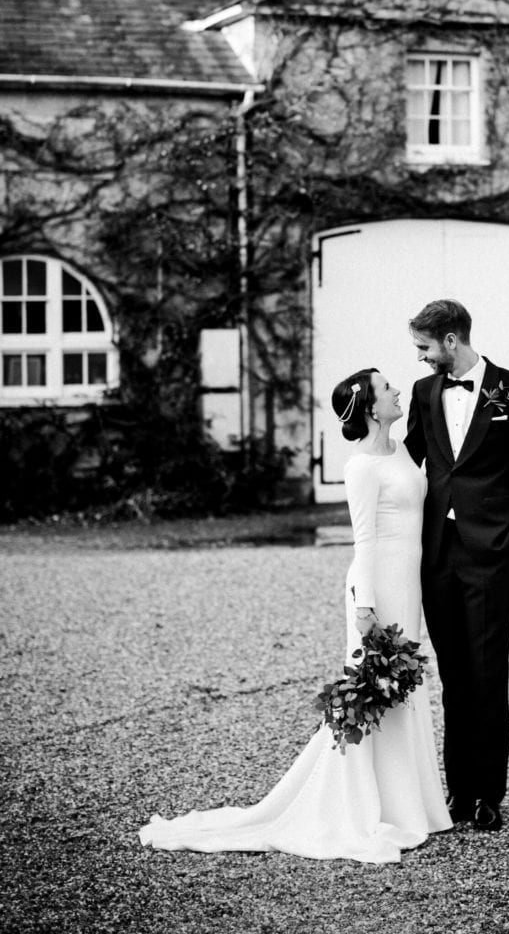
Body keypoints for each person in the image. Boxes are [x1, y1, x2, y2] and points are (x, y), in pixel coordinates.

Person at [138, 369, 451, 863]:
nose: (396, 391)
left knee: (403, 691)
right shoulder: (360, 467)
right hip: (378, 590)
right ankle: (364, 807)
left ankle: (412, 806)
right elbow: (364, 540)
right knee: (374, 694)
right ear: (371, 406)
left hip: (408, 588)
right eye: (387, 388)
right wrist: (365, 606)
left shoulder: (403, 450)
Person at [405, 299, 509, 834]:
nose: (419, 358)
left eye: (424, 347)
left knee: (488, 673)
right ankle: (458, 791)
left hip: (490, 553)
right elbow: (409, 464)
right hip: (437, 554)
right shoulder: (424, 393)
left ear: (450, 341)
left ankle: (490, 793)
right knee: (453, 676)